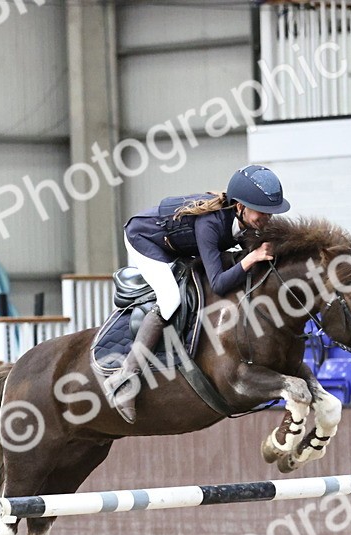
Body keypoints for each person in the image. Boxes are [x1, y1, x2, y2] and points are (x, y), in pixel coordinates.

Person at [106, 164, 292, 423]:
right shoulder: (210, 224)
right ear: (240, 207)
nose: (267, 217)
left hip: (174, 244)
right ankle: (124, 380)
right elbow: (218, 283)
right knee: (170, 300)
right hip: (144, 239)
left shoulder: (242, 220)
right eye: (262, 212)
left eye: (270, 212)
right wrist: (252, 258)